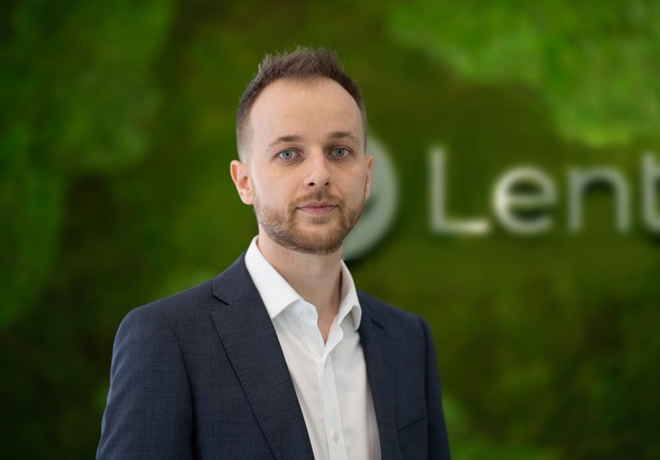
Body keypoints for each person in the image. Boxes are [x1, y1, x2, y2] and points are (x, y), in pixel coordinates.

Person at [96, 47, 450, 460]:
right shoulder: (165, 338)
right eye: (288, 153)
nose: (319, 175)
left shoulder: (410, 341)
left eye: (339, 151)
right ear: (244, 181)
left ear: (367, 177)